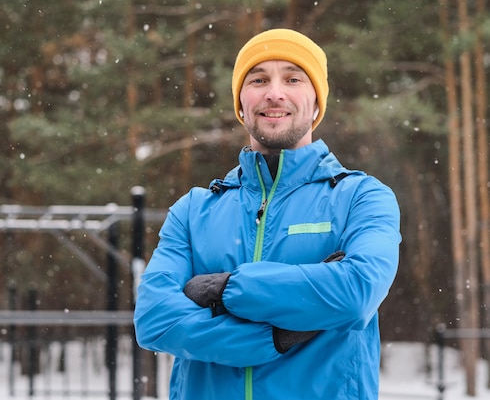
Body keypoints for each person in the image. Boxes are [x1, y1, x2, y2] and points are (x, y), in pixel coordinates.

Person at [133, 28, 401, 400]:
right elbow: (154, 321)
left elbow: (356, 294)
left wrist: (226, 291)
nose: (274, 92)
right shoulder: (193, 210)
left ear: (318, 103)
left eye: (293, 78)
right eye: (258, 79)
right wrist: (274, 336)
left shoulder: (362, 197)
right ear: (241, 104)